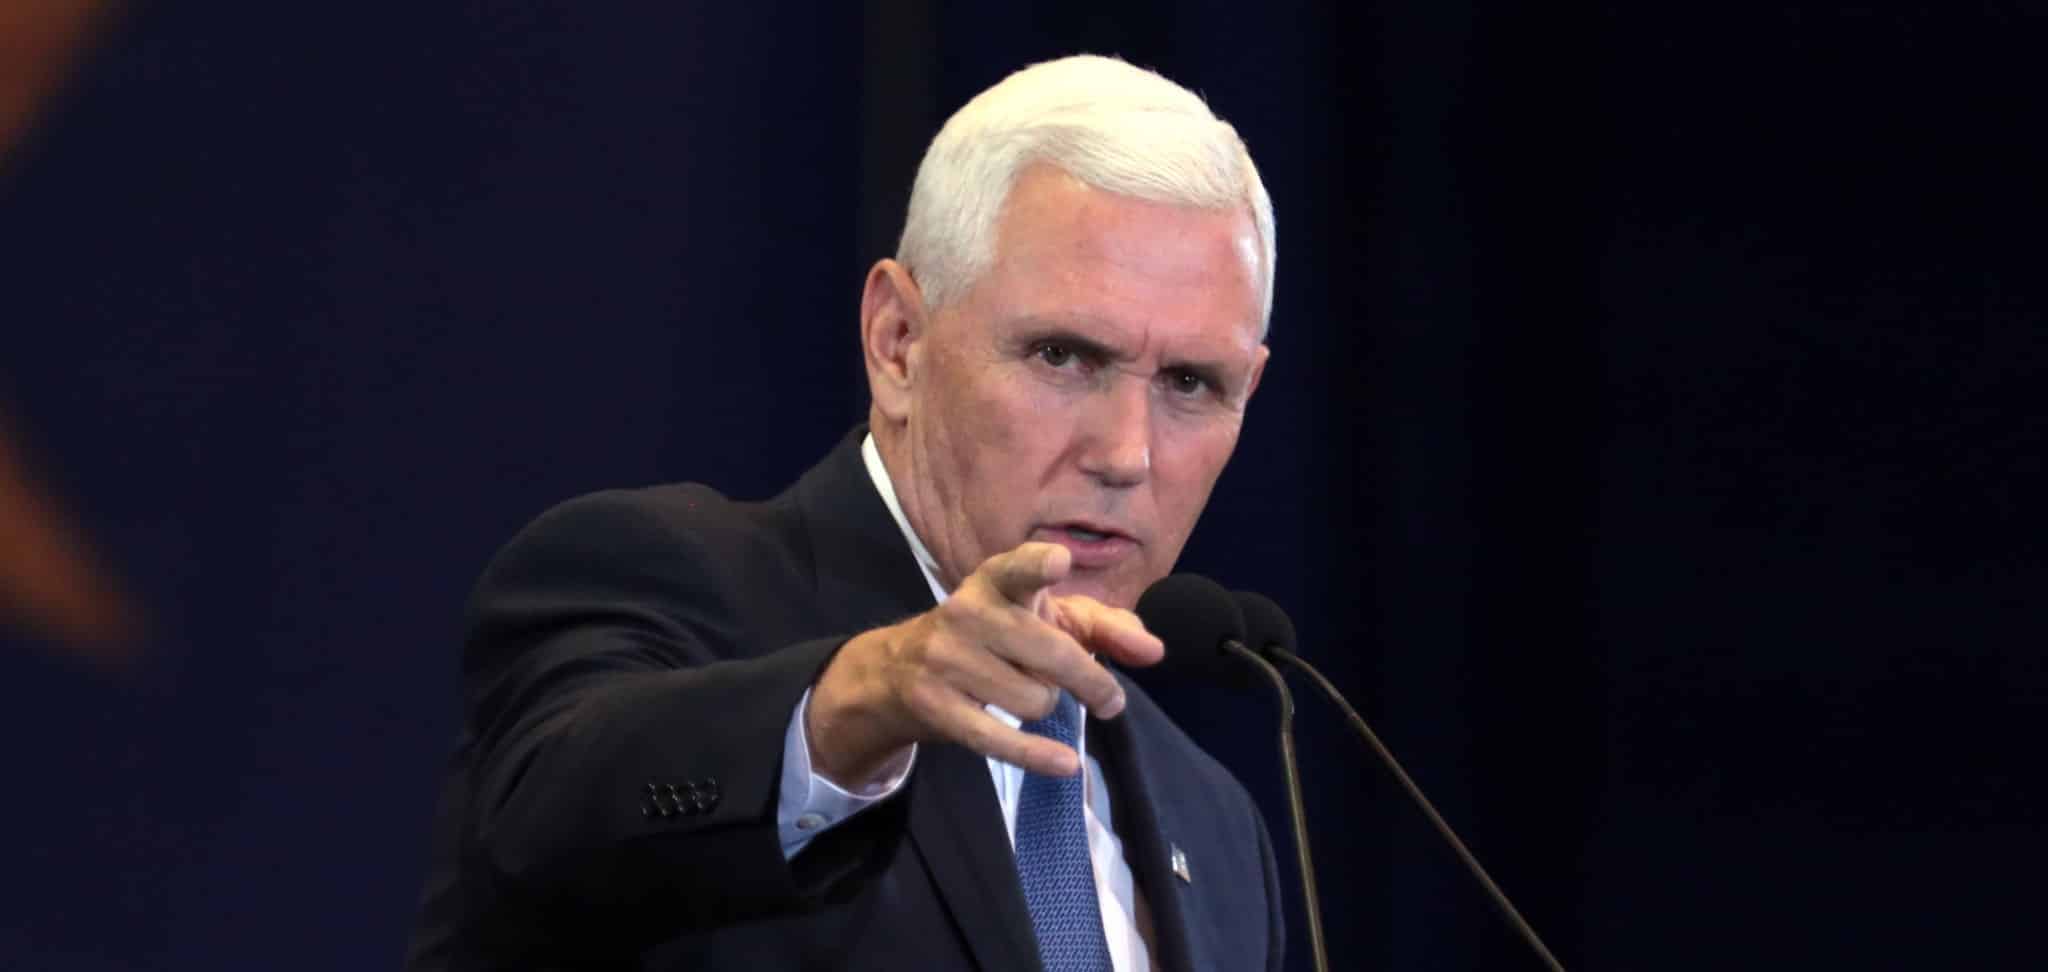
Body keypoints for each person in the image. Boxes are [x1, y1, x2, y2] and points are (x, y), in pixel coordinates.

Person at [407, 54, 1282, 971]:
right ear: (897, 342)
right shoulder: (660, 583)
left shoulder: (1216, 825)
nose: (1128, 454)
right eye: (1062, 356)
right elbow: (549, 825)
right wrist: (850, 708)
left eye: (1191, 383)